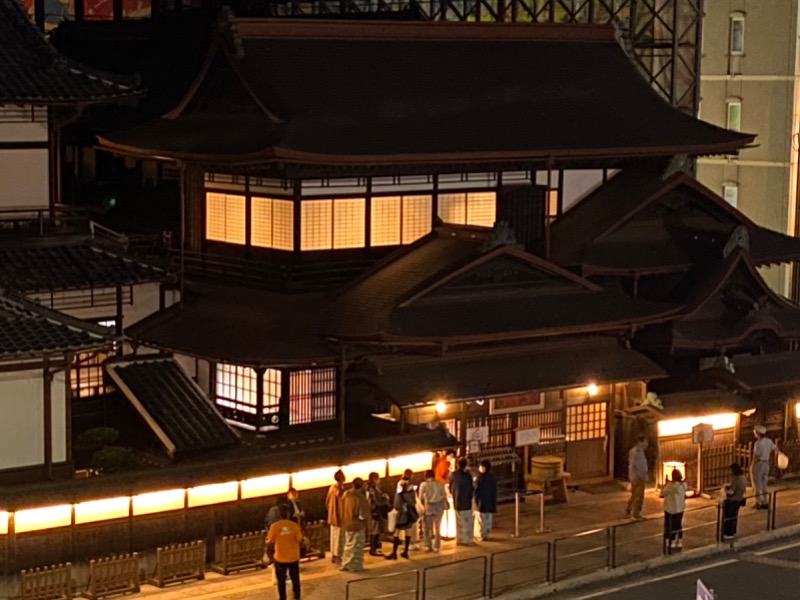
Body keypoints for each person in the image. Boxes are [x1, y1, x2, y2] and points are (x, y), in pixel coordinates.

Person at [266, 503, 303, 600]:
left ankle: (282, 597)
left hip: (280, 557)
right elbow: (299, 539)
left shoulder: (275, 526)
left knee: (281, 580)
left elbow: (270, 541)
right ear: (288, 514)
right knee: (295, 578)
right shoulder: (294, 525)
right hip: (293, 556)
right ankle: (296, 596)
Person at [386, 469, 419, 560]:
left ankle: (394, 552)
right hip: (409, 513)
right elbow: (413, 501)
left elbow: (396, 503)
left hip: (401, 514)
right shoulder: (412, 489)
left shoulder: (400, 491)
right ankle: (405, 552)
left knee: (396, 532)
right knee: (408, 531)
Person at [340, 477, 370, 572]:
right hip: (357, 524)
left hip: (347, 522)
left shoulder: (346, 494)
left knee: (347, 544)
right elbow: (363, 514)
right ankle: (355, 566)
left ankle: (345, 563)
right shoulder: (360, 497)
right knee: (356, 545)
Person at [418, 469, 447, 552]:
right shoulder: (440, 484)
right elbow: (444, 496)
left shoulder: (423, 485)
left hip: (428, 508)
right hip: (439, 507)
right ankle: (437, 546)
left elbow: (421, 498)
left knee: (427, 528)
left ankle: (428, 545)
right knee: (438, 528)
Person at [450, 458, 475, 545]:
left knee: (459, 522)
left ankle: (459, 539)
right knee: (467, 522)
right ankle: (467, 540)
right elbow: (471, 488)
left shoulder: (453, 475)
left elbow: (451, 487)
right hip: (467, 501)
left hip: (457, 501)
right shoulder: (468, 476)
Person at [751, 425, 777, 509]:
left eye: (755, 431)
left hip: (759, 464)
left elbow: (756, 456)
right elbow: (775, 449)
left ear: (758, 433)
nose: (754, 432)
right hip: (766, 463)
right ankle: (765, 501)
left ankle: (759, 502)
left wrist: (752, 465)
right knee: (764, 483)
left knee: (757, 484)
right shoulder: (769, 441)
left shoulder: (758, 443)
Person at [365, 471, 390, 556]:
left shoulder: (371, 488)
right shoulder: (373, 489)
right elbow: (377, 501)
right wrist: (385, 499)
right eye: (377, 478)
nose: (379, 480)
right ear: (374, 479)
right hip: (374, 511)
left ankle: (375, 548)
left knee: (376, 530)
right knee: (375, 531)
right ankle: (373, 549)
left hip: (374, 510)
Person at [662, 468, 687, 551]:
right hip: (681, 508)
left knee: (670, 525)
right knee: (678, 525)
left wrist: (666, 483)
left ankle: (671, 541)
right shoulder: (684, 485)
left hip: (671, 509)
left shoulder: (670, 486)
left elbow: (663, 492)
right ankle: (679, 540)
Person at [325, 469, 347, 566]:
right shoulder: (340, 490)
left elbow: (327, 502)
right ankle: (338, 556)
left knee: (333, 536)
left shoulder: (331, 488)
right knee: (339, 537)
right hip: (339, 517)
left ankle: (333, 555)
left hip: (332, 516)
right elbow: (343, 504)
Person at [625, 435, 648, 520]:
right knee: (639, 496)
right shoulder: (638, 452)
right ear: (640, 442)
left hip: (634, 475)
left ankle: (629, 510)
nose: (647, 444)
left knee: (634, 494)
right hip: (638, 476)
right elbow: (639, 466)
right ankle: (635, 514)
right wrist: (643, 476)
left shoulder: (634, 451)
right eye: (645, 441)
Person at [722, 463, 747, 540]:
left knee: (729, 517)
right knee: (734, 517)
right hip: (739, 499)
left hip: (733, 500)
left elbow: (731, 492)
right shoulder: (743, 478)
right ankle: (733, 532)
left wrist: (725, 490)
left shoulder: (736, 479)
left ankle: (728, 533)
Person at [474, 460, 498, 542]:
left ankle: (481, 535)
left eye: (480, 466)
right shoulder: (492, 477)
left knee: (481, 520)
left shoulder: (479, 478)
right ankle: (487, 534)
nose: (479, 468)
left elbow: (476, 490)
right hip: (490, 502)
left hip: (481, 502)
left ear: (484, 468)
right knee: (488, 519)